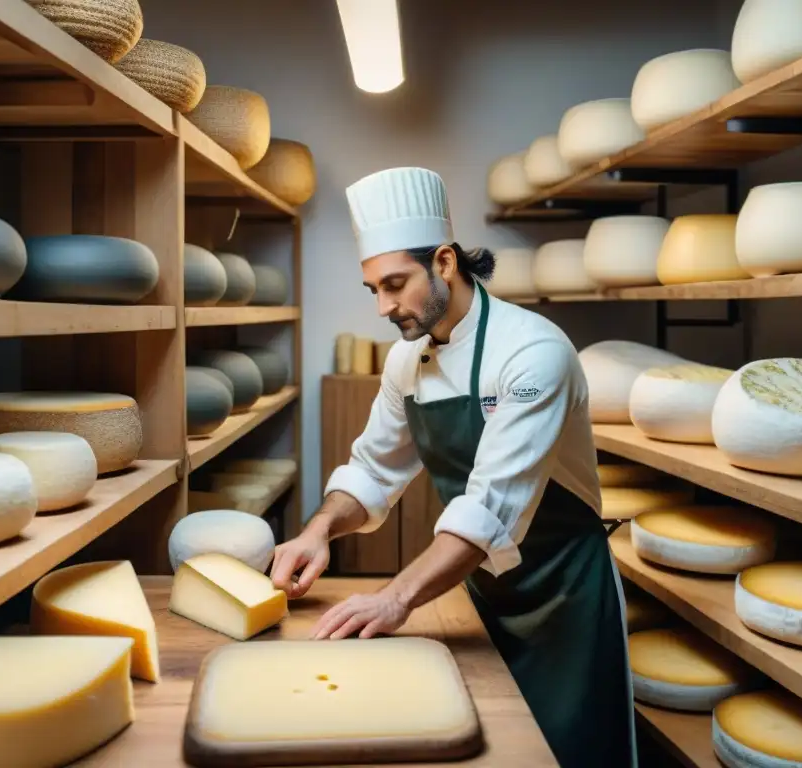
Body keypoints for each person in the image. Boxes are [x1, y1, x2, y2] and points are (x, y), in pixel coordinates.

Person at [270, 166, 636, 767]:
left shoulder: (533, 354)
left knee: (571, 751)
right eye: (373, 290)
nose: (384, 307)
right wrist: (318, 530)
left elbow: (488, 507)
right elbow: (372, 471)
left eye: (395, 284)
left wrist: (396, 598)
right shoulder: (406, 360)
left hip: (565, 598)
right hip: (480, 588)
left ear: (444, 262)